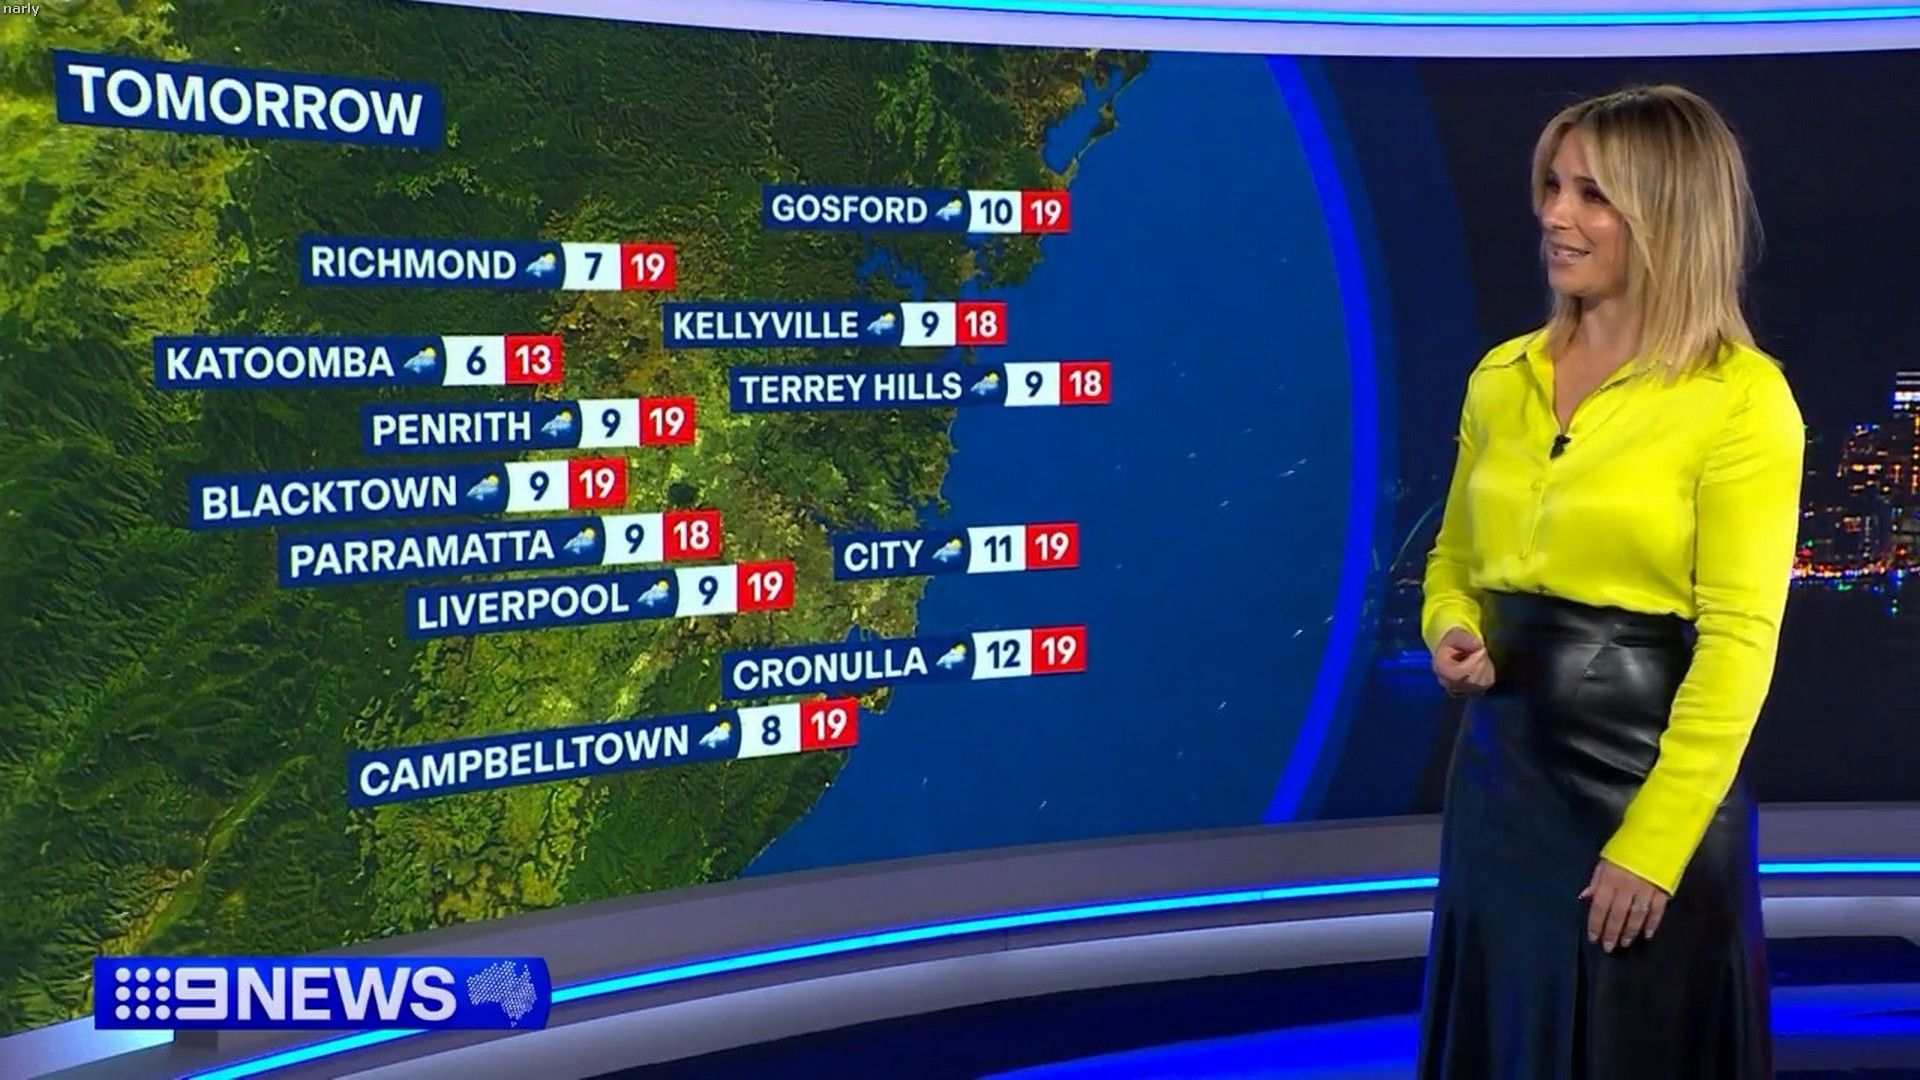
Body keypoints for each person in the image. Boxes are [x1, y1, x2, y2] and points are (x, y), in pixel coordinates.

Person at [1417, 84, 1805, 1079]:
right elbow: (1454, 562)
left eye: (1593, 195)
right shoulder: (1501, 378)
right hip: (1501, 780)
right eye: (1553, 185)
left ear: (1667, 214)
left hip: (1646, 777)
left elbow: (1740, 642)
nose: (1556, 215)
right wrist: (1451, 629)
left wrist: (1654, 845)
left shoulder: (1741, 400)